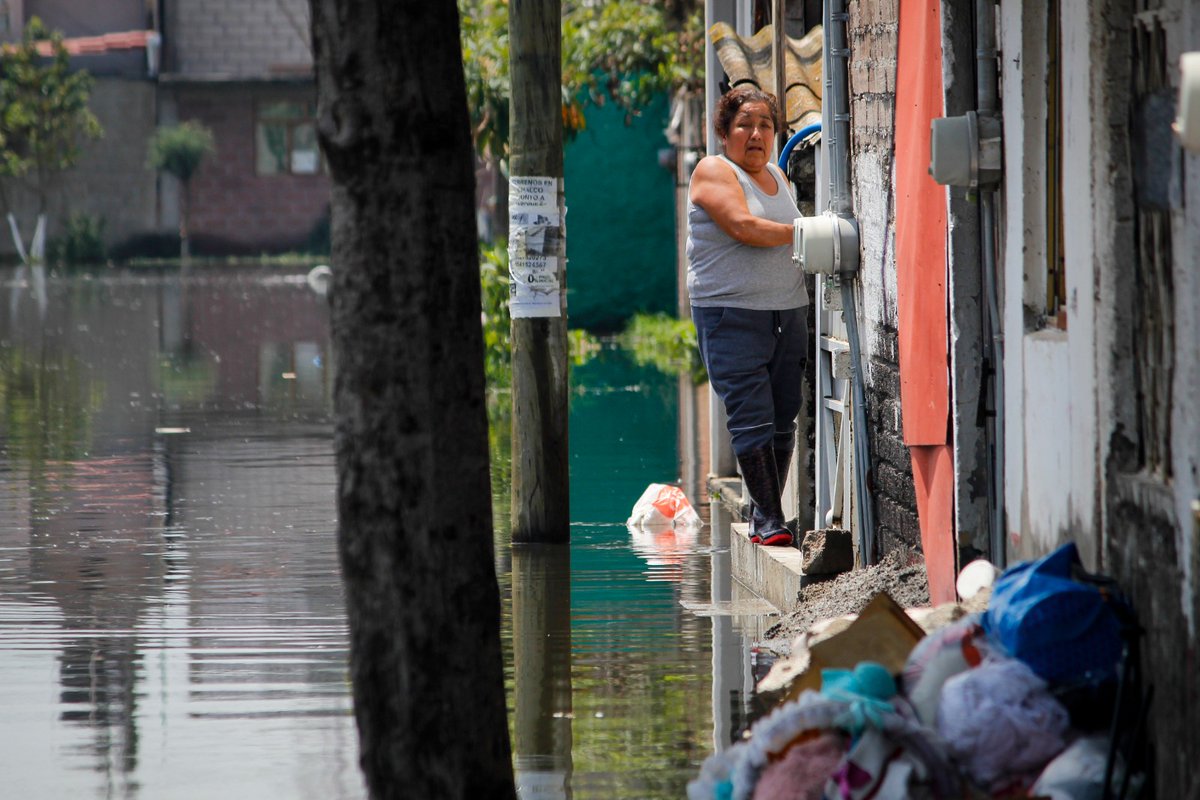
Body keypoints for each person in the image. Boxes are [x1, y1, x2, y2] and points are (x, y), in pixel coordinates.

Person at [687, 85, 808, 547]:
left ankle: (767, 515)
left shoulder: (777, 176)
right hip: (730, 314)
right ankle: (770, 520)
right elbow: (742, 226)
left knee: (783, 415)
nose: (755, 134)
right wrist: (807, 233)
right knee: (751, 415)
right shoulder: (714, 170)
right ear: (724, 132)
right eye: (745, 125)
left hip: (785, 311)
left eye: (765, 125)